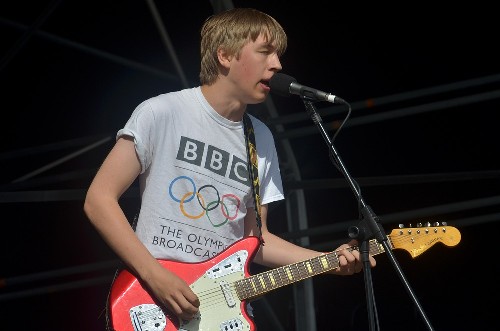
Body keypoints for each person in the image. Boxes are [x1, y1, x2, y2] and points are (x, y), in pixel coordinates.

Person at [83, 6, 376, 327]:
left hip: (220, 311)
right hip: (152, 298)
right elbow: (99, 199)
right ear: (224, 56)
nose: (277, 65)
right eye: (265, 52)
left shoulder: (260, 138)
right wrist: (156, 275)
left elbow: (256, 239)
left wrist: (327, 262)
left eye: (278, 55)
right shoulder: (162, 112)